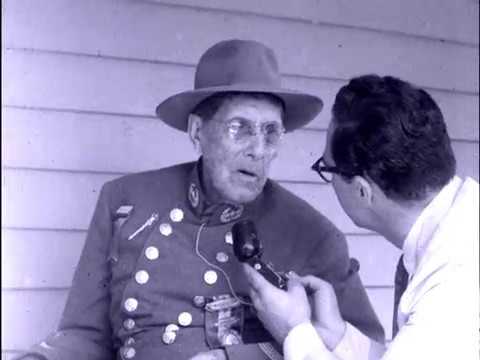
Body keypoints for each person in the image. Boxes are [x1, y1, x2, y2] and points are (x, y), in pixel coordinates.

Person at [16, 41, 384, 360]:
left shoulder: (312, 236)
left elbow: (359, 350)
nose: (258, 150)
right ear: (197, 132)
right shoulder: (126, 202)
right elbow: (85, 335)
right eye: (239, 128)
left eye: (271, 132)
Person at [242, 74, 479, 359]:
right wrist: (338, 336)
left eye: (326, 168)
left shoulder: (452, 284)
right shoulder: (461, 227)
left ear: (361, 190)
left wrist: (293, 331)